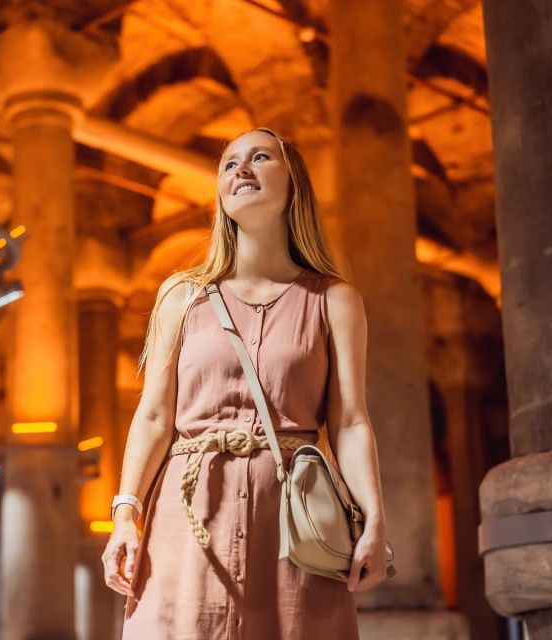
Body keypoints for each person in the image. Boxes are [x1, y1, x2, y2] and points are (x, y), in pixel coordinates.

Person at [102, 127, 390, 639]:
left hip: (293, 522)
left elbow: (349, 421)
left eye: (260, 156)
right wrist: (125, 513)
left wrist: (374, 519)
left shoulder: (335, 301)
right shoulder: (181, 298)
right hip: (186, 519)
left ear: (293, 182)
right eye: (229, 163)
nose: (241, 168)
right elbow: (151, 417)